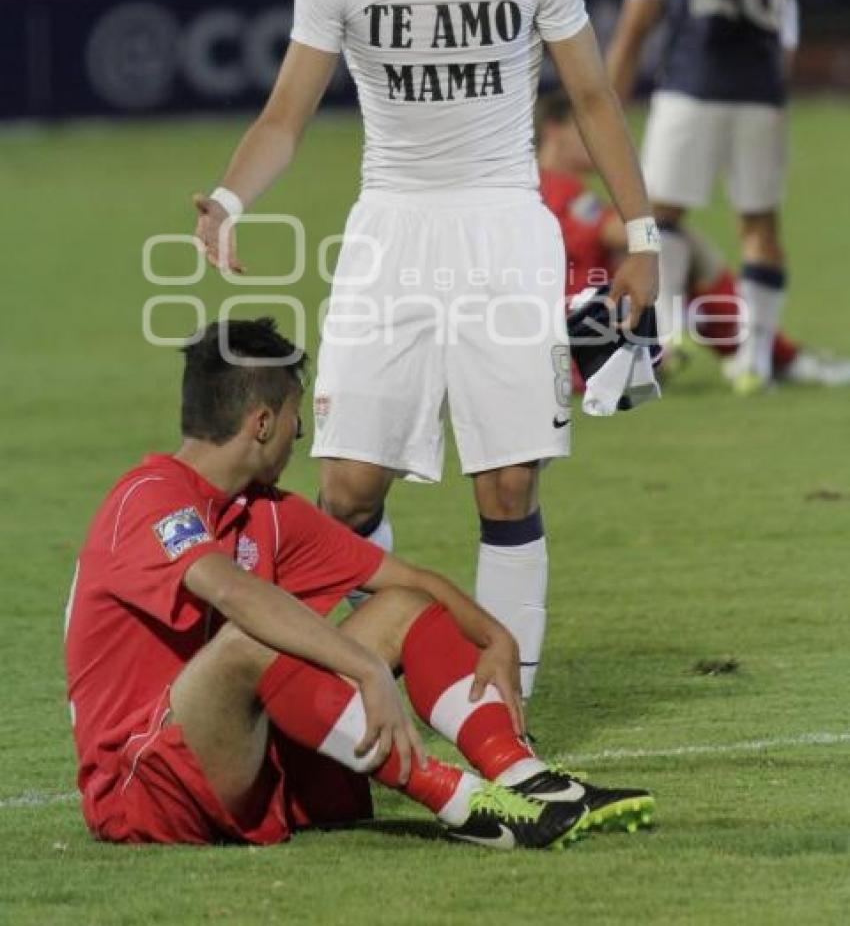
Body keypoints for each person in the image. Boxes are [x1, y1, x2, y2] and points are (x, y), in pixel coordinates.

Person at [193, 0, 659, 702]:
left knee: (508, 487)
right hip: (390, 229)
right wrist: (226, 197)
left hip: (502, 222)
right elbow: (286, 113)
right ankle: (368, 665)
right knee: (350, 490)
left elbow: (595, 98)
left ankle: (505, 701)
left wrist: (641, 236)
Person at [64, 317, 654, 850]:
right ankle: (468, 806)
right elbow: (234, 594)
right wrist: (366, 669)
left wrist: (495, 635)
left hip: (240, 757)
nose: (301, 434)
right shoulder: (147, 497)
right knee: (256, 635)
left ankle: (527, 780)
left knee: (399, 607)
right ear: (262, 422)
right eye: (296, 413)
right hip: (143, 785)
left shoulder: (267, 511)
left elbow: (413, 582)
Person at [605, 0, 796, 394]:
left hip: (691, 88)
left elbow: (635, 29)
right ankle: (754, 361)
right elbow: (786, 52)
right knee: (759, 226)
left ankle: (667, 336)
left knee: (662, 215)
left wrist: (602, 113)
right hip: (763, 98)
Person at [536, 90, 850, 386]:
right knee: (673, 245)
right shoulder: (561, 192)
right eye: (586, 130)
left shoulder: (536, 189)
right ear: (555, 132)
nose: (600, 141)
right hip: (584, 355)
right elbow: (632, 234)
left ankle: (751, 352)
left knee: (667, 251)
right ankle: (767, 356)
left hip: (555, 347)